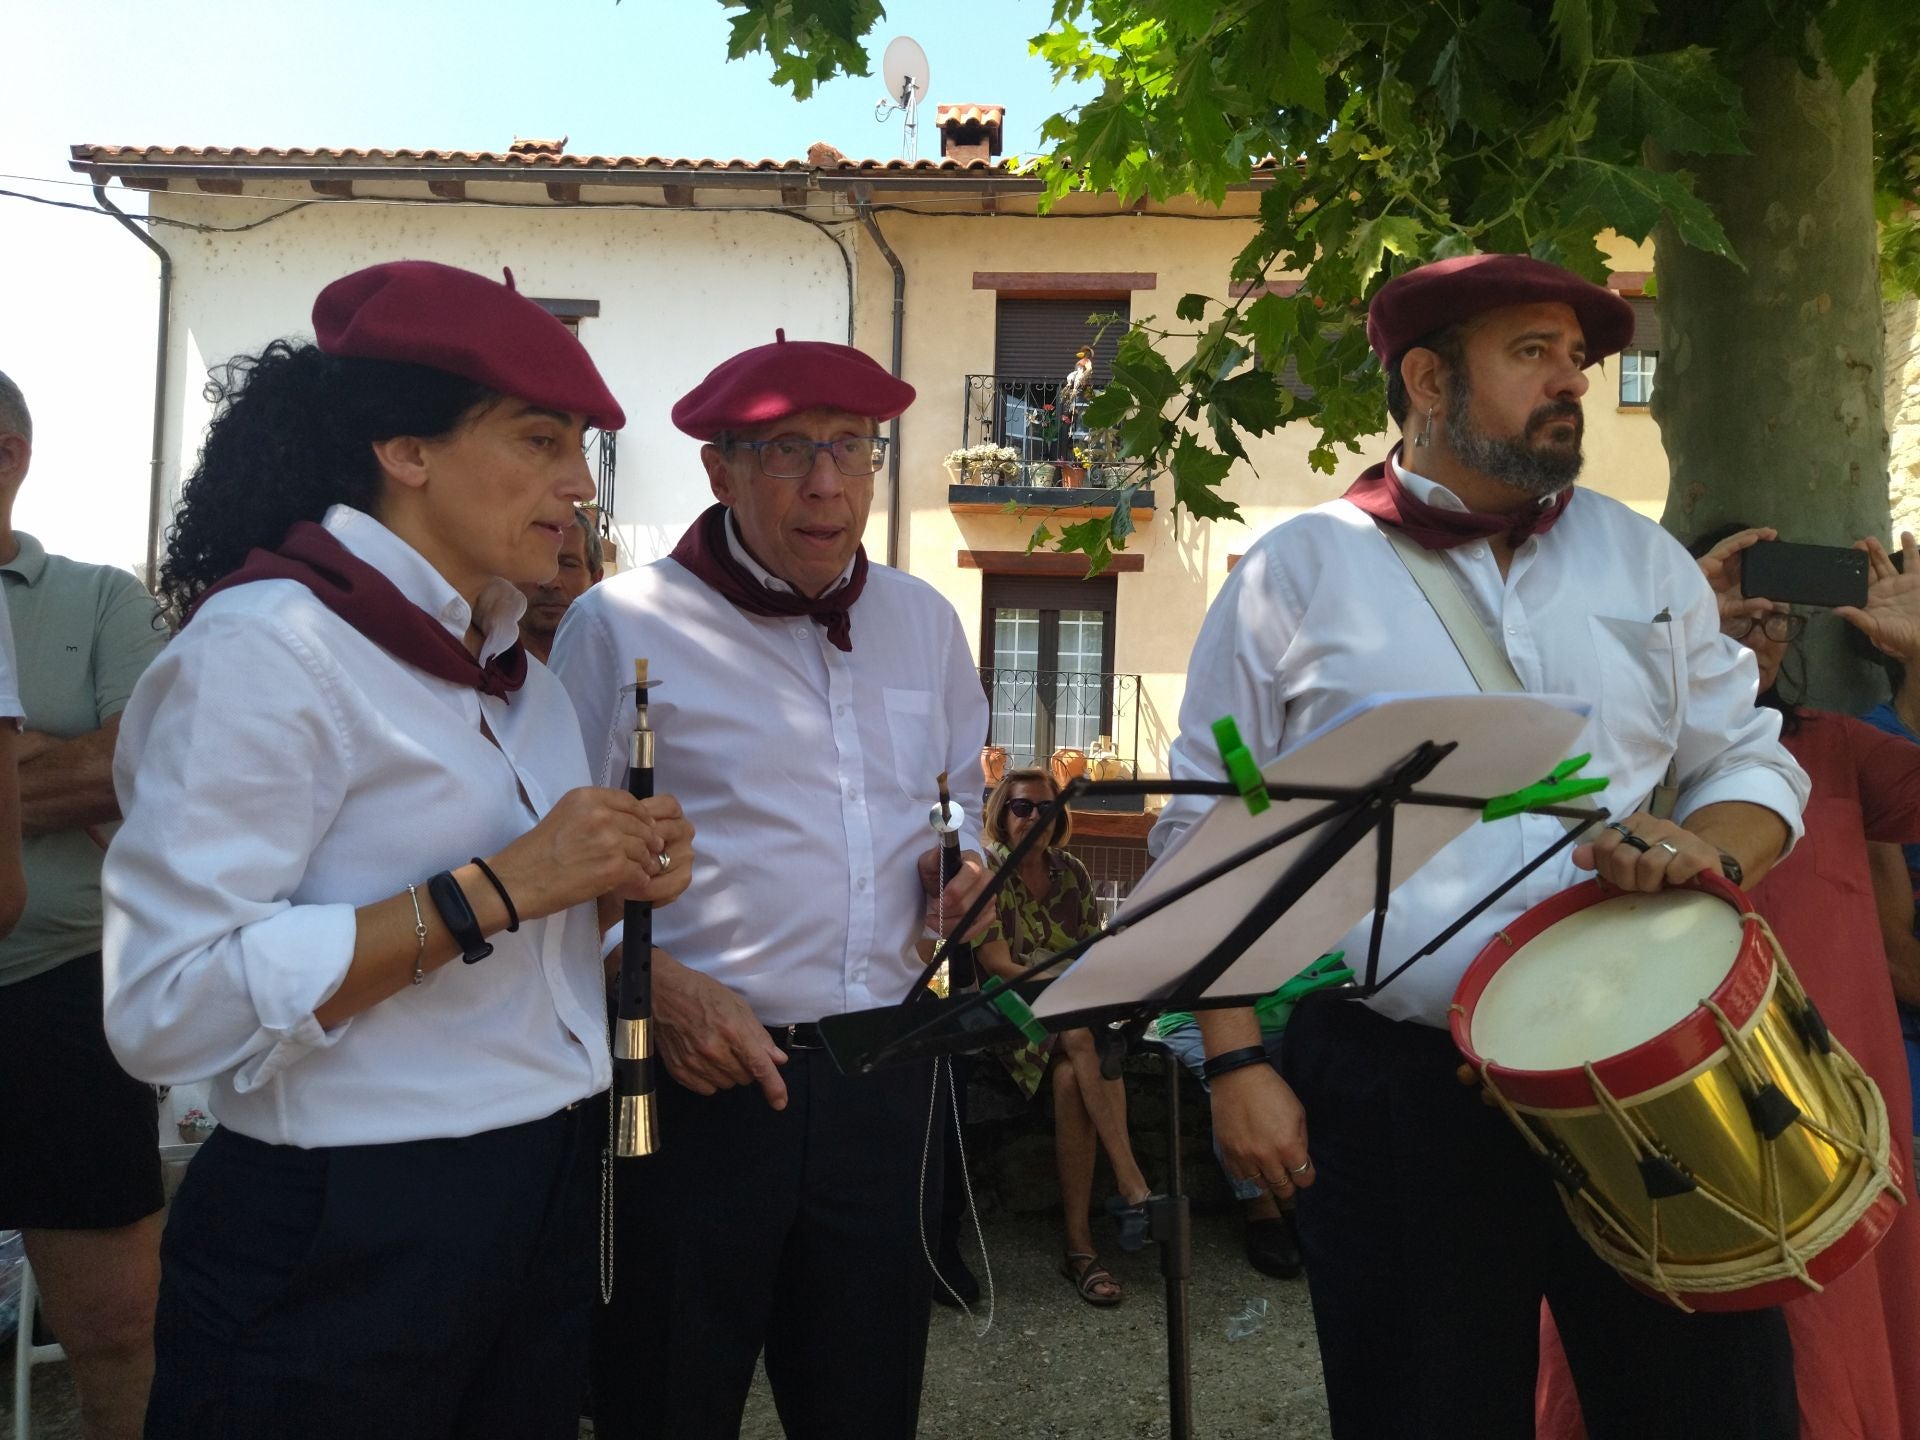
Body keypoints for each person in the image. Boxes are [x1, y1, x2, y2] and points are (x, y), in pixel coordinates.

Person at [1157, 253, 1811, 1440]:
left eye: (1577, 357)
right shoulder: (1297, 572)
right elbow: (1209, 825)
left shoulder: (1644, 562)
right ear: (1426, 380)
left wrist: (1706, 854)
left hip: (1647, 1067)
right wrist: (1235, 1062)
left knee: (1714, 1409)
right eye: (1531, 353)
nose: (1572, 381)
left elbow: (1750, 761)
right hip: (1402, 1087)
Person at [99, 260, 692, 1440]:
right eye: (540, 440)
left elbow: (518, 951)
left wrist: (607, 882)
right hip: (346, 1234)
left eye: (580, 447)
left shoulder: (518, 674)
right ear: (404, 449)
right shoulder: (267, 650)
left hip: (535, 1193)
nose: (580, 485)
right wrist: (494, 890)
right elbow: (164, 1007)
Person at [551, 329, 990, 1440]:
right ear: (721, 470)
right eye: (789, 451)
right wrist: (639, 978)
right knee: (665, 1401)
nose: (827, 484)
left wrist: (962, 867)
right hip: (697, 1082)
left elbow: (959, 807)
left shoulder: (926, 624)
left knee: (867, 1406)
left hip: (885, 1076)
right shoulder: (619, 627)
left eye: (851, 447)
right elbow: (546, 862)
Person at [0, 366, 165, 1440]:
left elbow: (137, 767)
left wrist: (85, 767)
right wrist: (52, 765)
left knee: (113, 1327)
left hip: (64, 995)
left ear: (8, 456)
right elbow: (93, 767)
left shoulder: (102, 596)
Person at [975, 768, 1153, 1306]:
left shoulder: (1071, 872)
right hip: (1010, 1011)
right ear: (1002, 814)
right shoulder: (986, 870)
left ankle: (1080, 1249)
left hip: (1069, 1018)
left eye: (1046, 808)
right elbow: (998, 964)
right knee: (1079, 1030)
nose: (1034, 816)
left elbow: (1092, 951)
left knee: (1074, 1076)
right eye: (1022, 807)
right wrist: (1065, 985)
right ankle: (1132, 1183)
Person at [1153, 951, 1352, 1281]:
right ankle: (1260, 1207)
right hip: (1195, 1020)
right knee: (1234, 1096)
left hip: (1286, 1013)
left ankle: (1290, 1201)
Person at [516, 506, 602, 662]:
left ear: (595, 580)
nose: (549, 582)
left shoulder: (616, 667)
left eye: (568, 565)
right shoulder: (478, 663)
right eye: (534, 562)